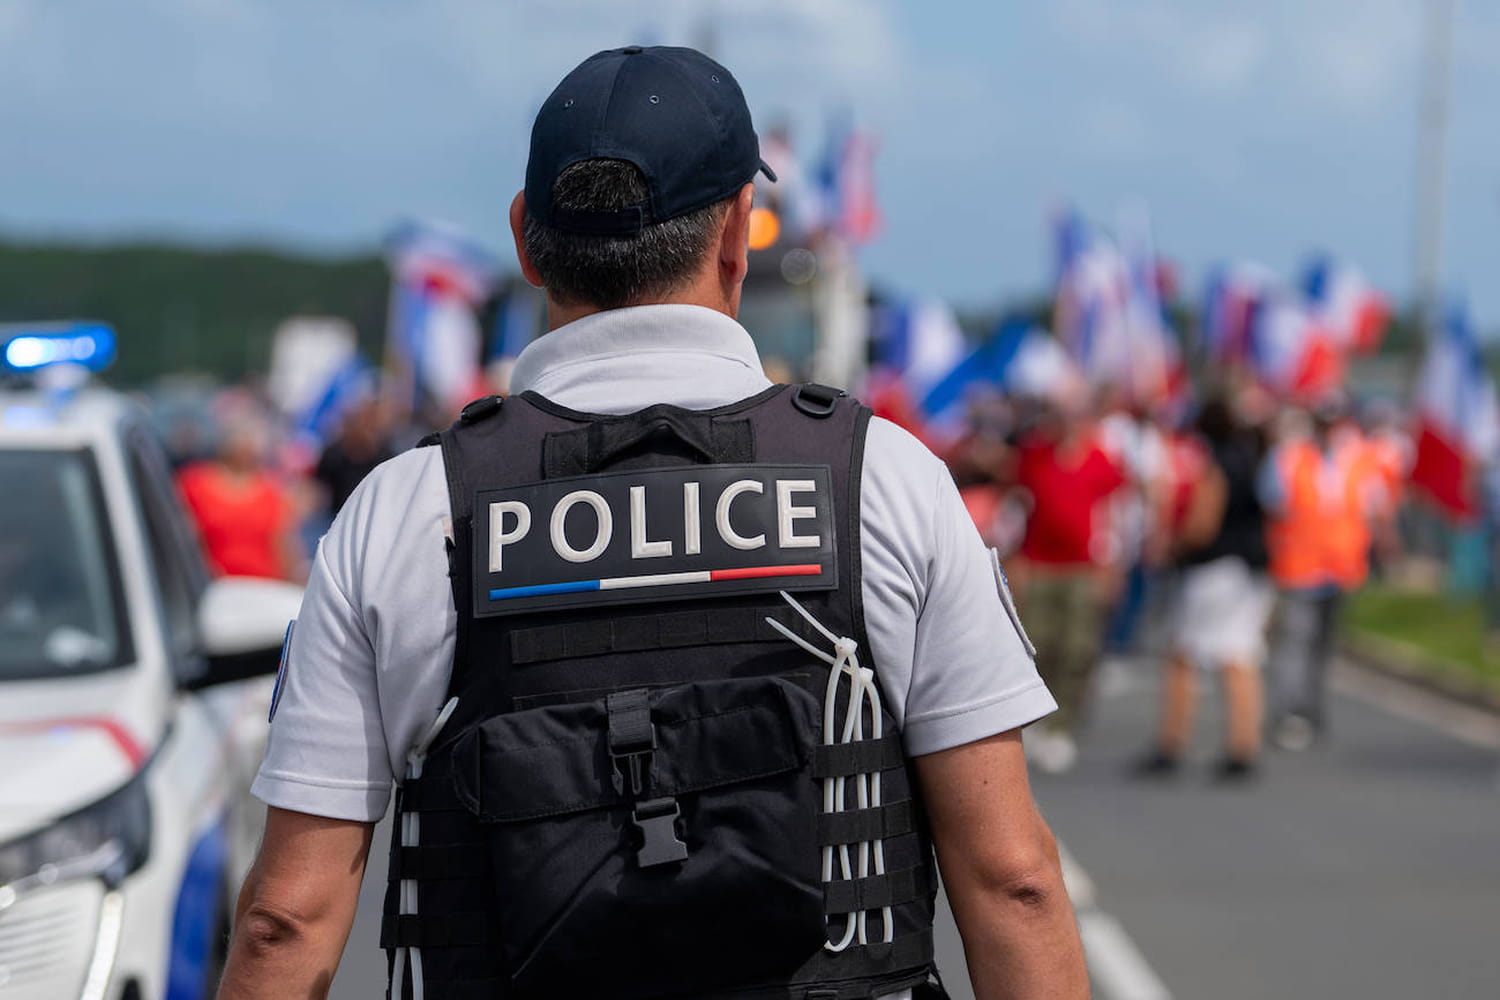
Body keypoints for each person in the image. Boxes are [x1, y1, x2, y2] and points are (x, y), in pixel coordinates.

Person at [218, 46, 1087, 1000]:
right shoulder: (881, 478)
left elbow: (284, 920)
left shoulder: (408, 508)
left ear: (525, 237)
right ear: (735, 236)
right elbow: (1013, 881)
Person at [1138, 396, 1272, 780]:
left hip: (1213, 569)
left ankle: (1172, 743)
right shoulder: (1251, 457)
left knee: (1183, 654)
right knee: (1240, 654)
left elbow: (1203, 523)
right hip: (1249, 569)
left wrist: (1175, 547)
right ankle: (1243, 745)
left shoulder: (1215, 463)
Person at [1010, 388, 1127, 773]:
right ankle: (1037, 721)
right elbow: (1018, 508)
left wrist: (1111, 564)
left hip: (1083, 567)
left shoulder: (1099, 458)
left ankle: (1063, 725)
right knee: (1037, 644)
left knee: (1078, 648)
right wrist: (1016, 560)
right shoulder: (1035, 455)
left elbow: (1114, 513)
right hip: (1040, 563)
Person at [1262, 400, 1387, 750]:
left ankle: (1313, 709)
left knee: (1323, 645)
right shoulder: (1290, 458)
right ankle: (1291, 712)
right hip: (1300, 566)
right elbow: (1272, 503)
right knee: (1297, 641)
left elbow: (1374, 507)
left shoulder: (1359, 459)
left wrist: (1386, 550)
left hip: (1342, 568)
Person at [176, 416, 303, 581]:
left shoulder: (273, 491)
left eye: (251, 439)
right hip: (212, 586)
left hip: (262, 587)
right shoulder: (194, 484)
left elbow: (284, 546)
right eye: (241, 437)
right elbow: (182, 539)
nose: (246, 446)